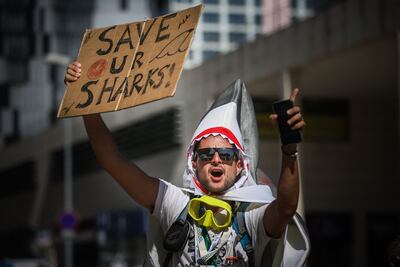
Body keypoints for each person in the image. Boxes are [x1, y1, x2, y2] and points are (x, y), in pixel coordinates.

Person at [64, 61, 310, 266]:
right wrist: (88, 102)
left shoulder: (251, 216)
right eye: (207, 154)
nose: (215, 159)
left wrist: (289, 149)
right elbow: (112, 161)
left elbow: (286, 208)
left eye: (225, 155)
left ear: (239, 165)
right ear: (194, 161)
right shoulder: (175, 203)